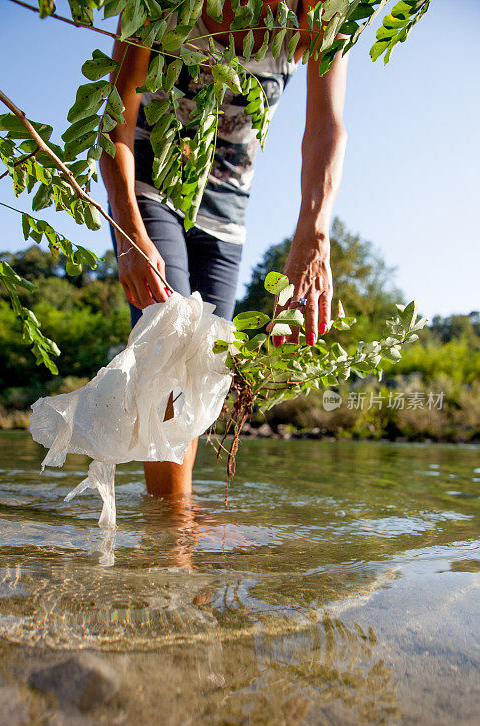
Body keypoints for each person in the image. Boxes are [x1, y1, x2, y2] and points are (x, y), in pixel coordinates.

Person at [100, 0, 348, 497]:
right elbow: (116, 112)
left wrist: (313, 234)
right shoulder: (160, 7)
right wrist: (127, 226)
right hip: (150, 192)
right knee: (171, 348)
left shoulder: (316, 16)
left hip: (226, 221)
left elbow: (326, 125)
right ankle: (172, 533)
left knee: (203, 373)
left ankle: (174, 522)